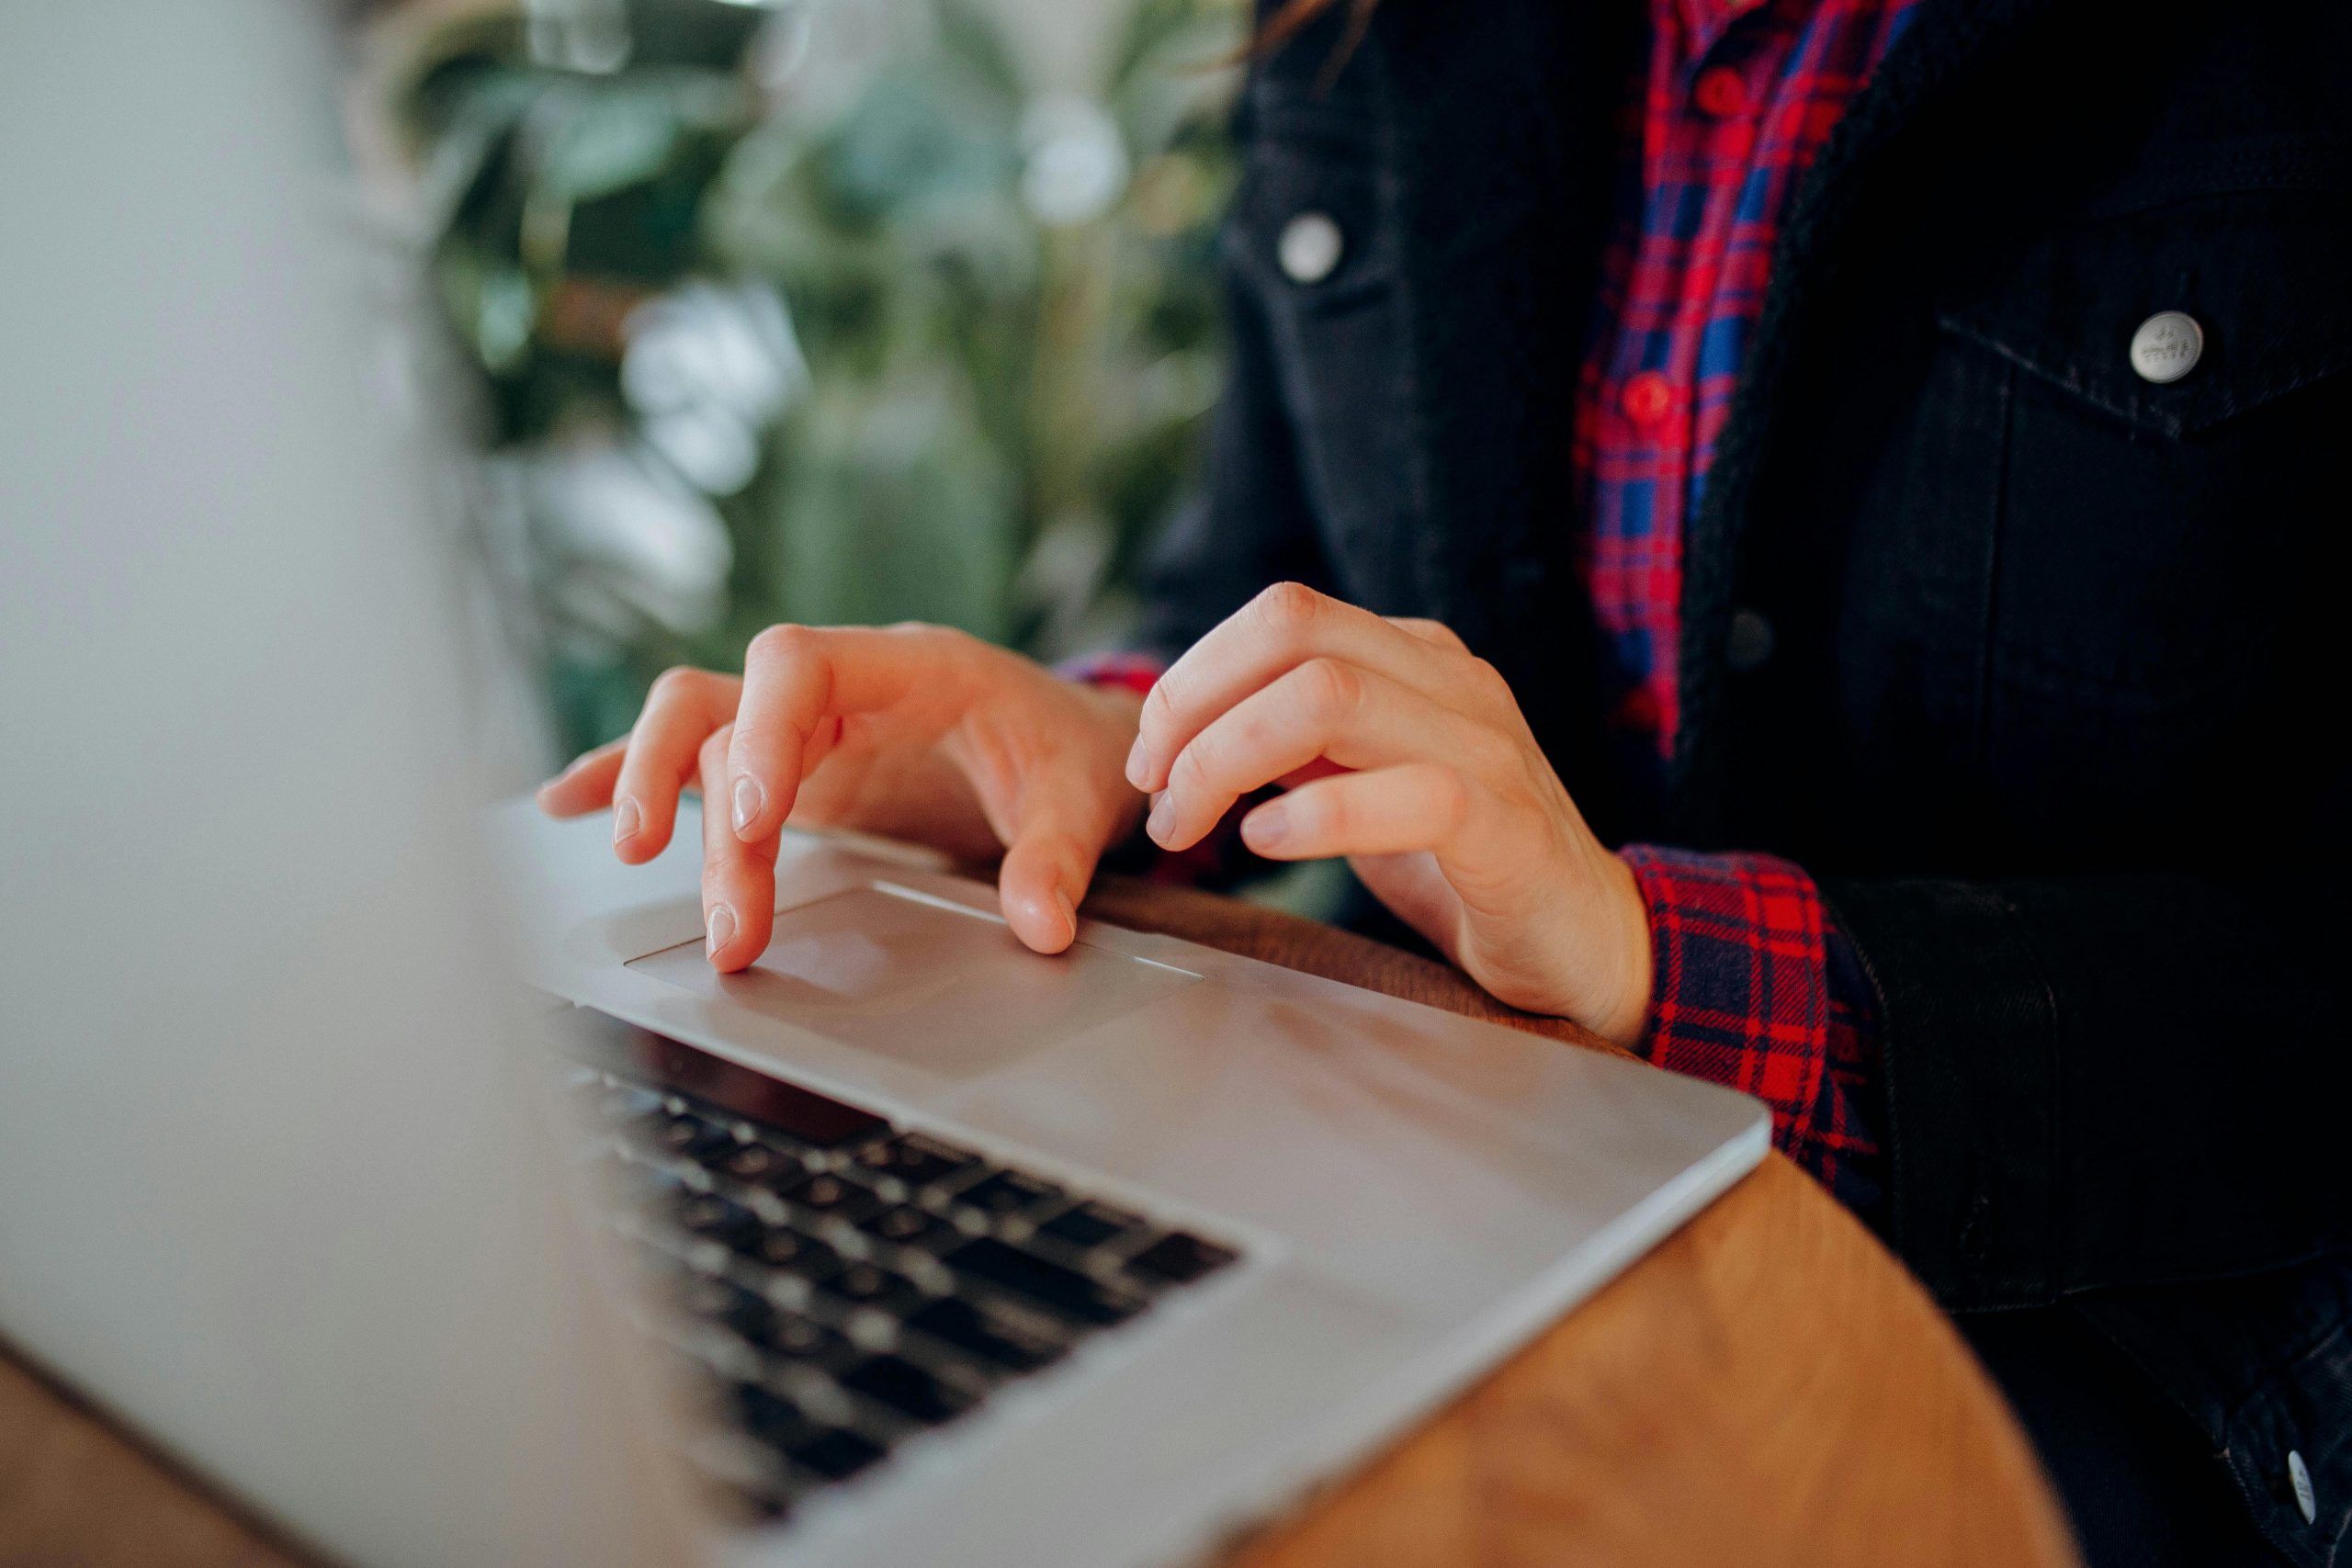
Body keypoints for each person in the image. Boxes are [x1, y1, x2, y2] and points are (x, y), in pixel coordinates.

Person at [540, 0, 2352, 1560]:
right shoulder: (1361, 35)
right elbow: (1259, 569)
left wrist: (1652, 954)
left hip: (2102, 1333)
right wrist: (1097, 740)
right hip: (1445, 1174)